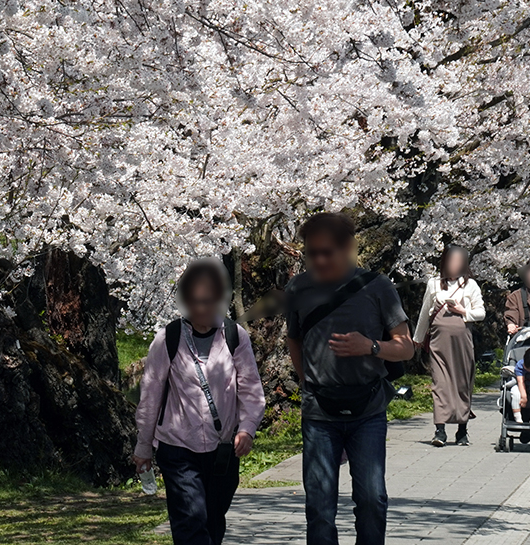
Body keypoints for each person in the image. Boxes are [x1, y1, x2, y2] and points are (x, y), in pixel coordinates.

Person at [286, 212, 414, 545]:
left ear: (346, 248)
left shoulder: (378, 287)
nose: (318, 259)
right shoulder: (298, 287)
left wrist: (369, 346)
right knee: (319, 506)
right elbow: (294, 338)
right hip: (319, 413)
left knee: (372, 500)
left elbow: (406, 348)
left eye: (326, 251)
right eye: (311, 252)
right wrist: (306, 381)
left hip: (368, 409)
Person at [134, 259, 266, 545]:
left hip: (223, 450)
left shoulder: (234, 336)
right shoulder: (167, 339)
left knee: (213, 523)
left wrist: (248, 428)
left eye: (207, 302)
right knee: (191, 522)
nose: (201, 309)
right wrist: (143, 447)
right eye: (194, 302)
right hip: (177, 447)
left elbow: (251, 389)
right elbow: (150, 397)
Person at [413, 245, 485, 447]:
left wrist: (464, 311)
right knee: (441, 383)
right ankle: (440, 430)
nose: (454, 266)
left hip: (462, 342)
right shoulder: (434, 284)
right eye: (450, 261)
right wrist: (417, 338)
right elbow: (424, 312)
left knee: (462, 384)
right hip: (438, 342)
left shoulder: (470, 285)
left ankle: (462, 431)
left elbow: (481, 312)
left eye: (458, 262)